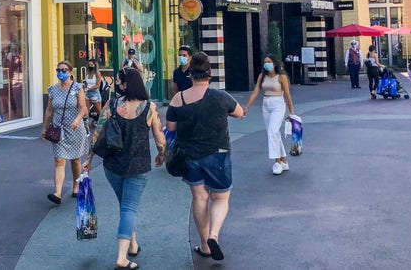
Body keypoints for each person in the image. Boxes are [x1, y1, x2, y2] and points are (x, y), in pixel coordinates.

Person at [84, 68, 166, 270]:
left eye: (119, 82)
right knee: (129, 208)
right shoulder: (149, 108)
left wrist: (89, 158)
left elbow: (98, 133)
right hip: (139, 166)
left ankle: (133, 244)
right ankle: (121, 257)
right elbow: (159, 137)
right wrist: (162, 154)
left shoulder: (111, 105)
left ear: (126, 84)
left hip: (113, 165)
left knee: (125, 205)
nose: (117, 85)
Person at [166, 52, 244, 262]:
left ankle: (204, 245)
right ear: (210, 75)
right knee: (220, 198)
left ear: (190, 75)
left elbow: (170, 128)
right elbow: (240, 113)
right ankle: (214, 235)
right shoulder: (220, 97)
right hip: (218, 153)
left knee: (199, 198)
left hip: (190, 155)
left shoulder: (178, 98)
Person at [41, 60, 88, 204]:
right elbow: (49, 110)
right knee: (59, 160)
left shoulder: (77, 88)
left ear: (70, 72)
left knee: (75, 159)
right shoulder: (53, 90)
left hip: (75, 129)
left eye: (64, 70)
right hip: (58, 129)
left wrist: (77, 120)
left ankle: (76, 185)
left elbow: (83, 108)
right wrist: (44, 127)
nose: (60, 73)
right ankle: (58, 192)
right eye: (58, 70)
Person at [243, 54, 295, 175]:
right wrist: (247, 107)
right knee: (273, 133)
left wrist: (291, 112)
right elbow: (256, 91)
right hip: (266, 103)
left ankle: (277, 161)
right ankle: (283, 160)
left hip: (278, 104)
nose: (266, 63)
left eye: (269, 61)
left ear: (274, 63)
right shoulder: (262, 76)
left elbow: (287, 94)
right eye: (265, 61)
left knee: (272, 131)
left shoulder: (281, 77)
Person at [83, 58, 104, 124]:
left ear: (95, 65)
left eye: (92, 65)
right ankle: (86, 124)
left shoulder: (97, 74)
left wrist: (89, 88)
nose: (90, 66)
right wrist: (85, 85)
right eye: (89, 65)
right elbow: (86, 82)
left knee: (98, 110)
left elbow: (98, 85)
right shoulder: (87, 73)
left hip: (95, 93)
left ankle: (101, 123)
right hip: (87, 93)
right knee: (86, 109)